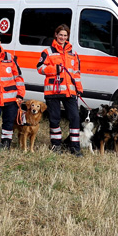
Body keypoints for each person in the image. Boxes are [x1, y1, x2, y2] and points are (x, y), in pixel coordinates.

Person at [37, 24, 83, 156]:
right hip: (53, 91)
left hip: (69, 92)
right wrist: (54, 69)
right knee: (54, 119)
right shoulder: (48, 52)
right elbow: (39, 68)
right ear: (56, 35)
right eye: (60, 35)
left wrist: (79, 88)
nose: (62, 37)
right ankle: (56, 145)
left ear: (67, 37)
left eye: (65, 35)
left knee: (75, 118)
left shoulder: (73, 54)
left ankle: (75, 147)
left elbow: (76, 73)